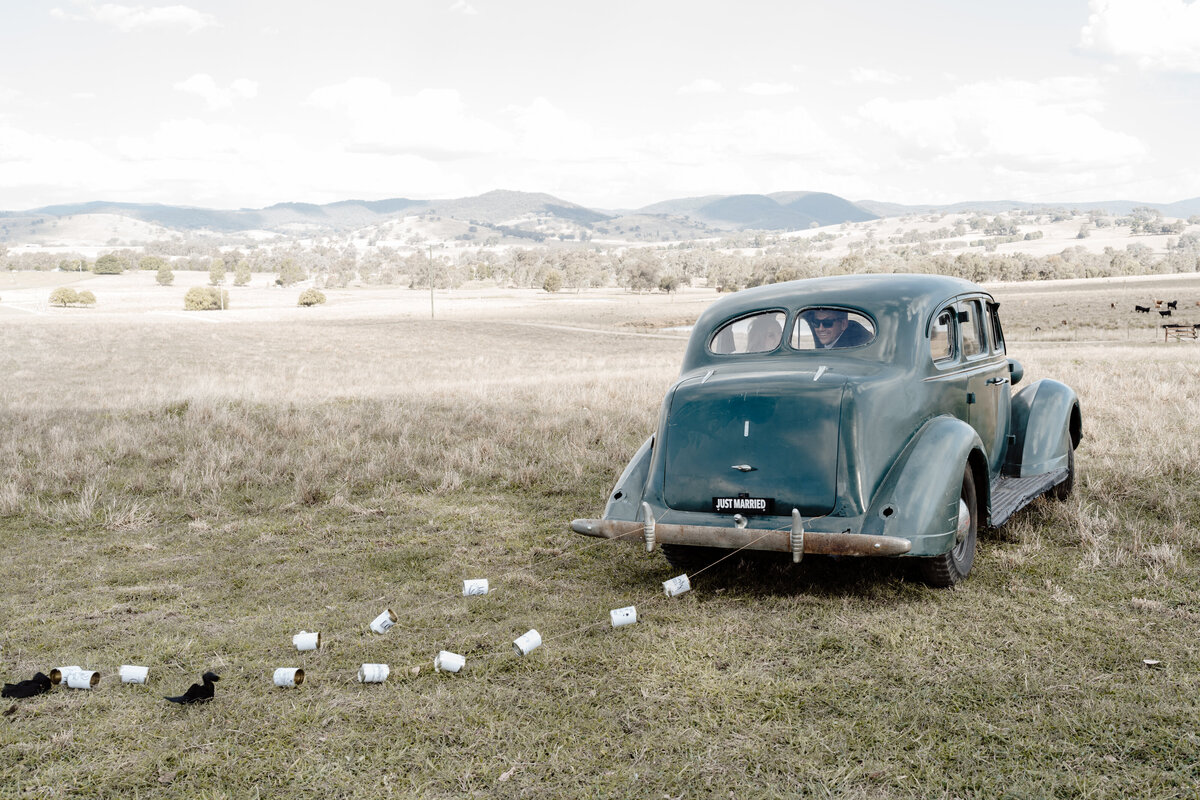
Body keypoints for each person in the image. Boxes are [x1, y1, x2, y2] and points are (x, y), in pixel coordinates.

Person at [806, 308, 871, 349]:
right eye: (816, 322)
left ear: (843, 324)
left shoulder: (853, 348)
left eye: (827, 322)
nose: (820, 329)